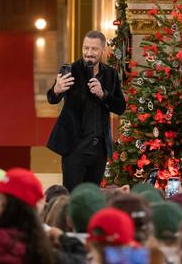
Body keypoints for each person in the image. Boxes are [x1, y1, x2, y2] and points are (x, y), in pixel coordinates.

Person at [47, 30, 126, 192]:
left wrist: (103, 94)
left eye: (94, 49)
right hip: (74, 147)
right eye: (86, 48)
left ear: (103, 50)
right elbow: (52, 98)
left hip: (99, 149)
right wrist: (56, 89)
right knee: (72, 196)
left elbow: (120, 107)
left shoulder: (110, 74)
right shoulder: (71, 70)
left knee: (92, 195)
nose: (89, 53)